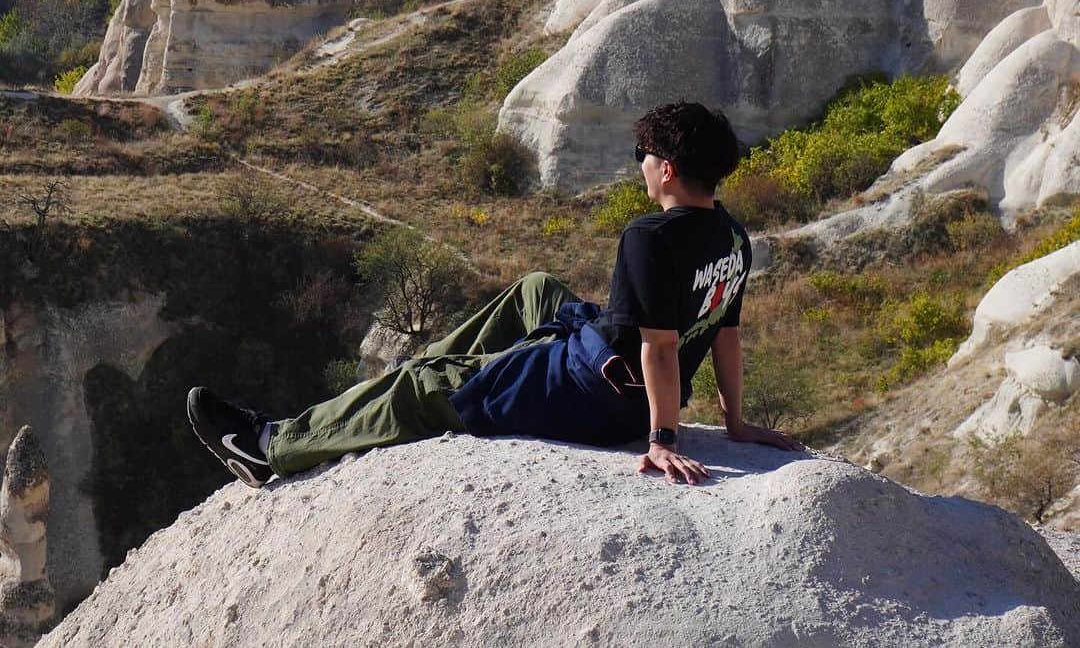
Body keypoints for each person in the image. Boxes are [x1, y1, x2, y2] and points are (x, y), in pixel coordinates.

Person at [187, 100, 802, 488]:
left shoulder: (650, 236)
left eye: (642, 155)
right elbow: (724, 332)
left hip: (595, 389)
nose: (638, 164)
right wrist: (737, 424)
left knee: (417, 391)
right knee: (535, 291)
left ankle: (270, 447)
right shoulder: (733, 238)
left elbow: (663, 349)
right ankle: (445, 369)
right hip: (618, 364)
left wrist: (662, 440)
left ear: (666, 168)